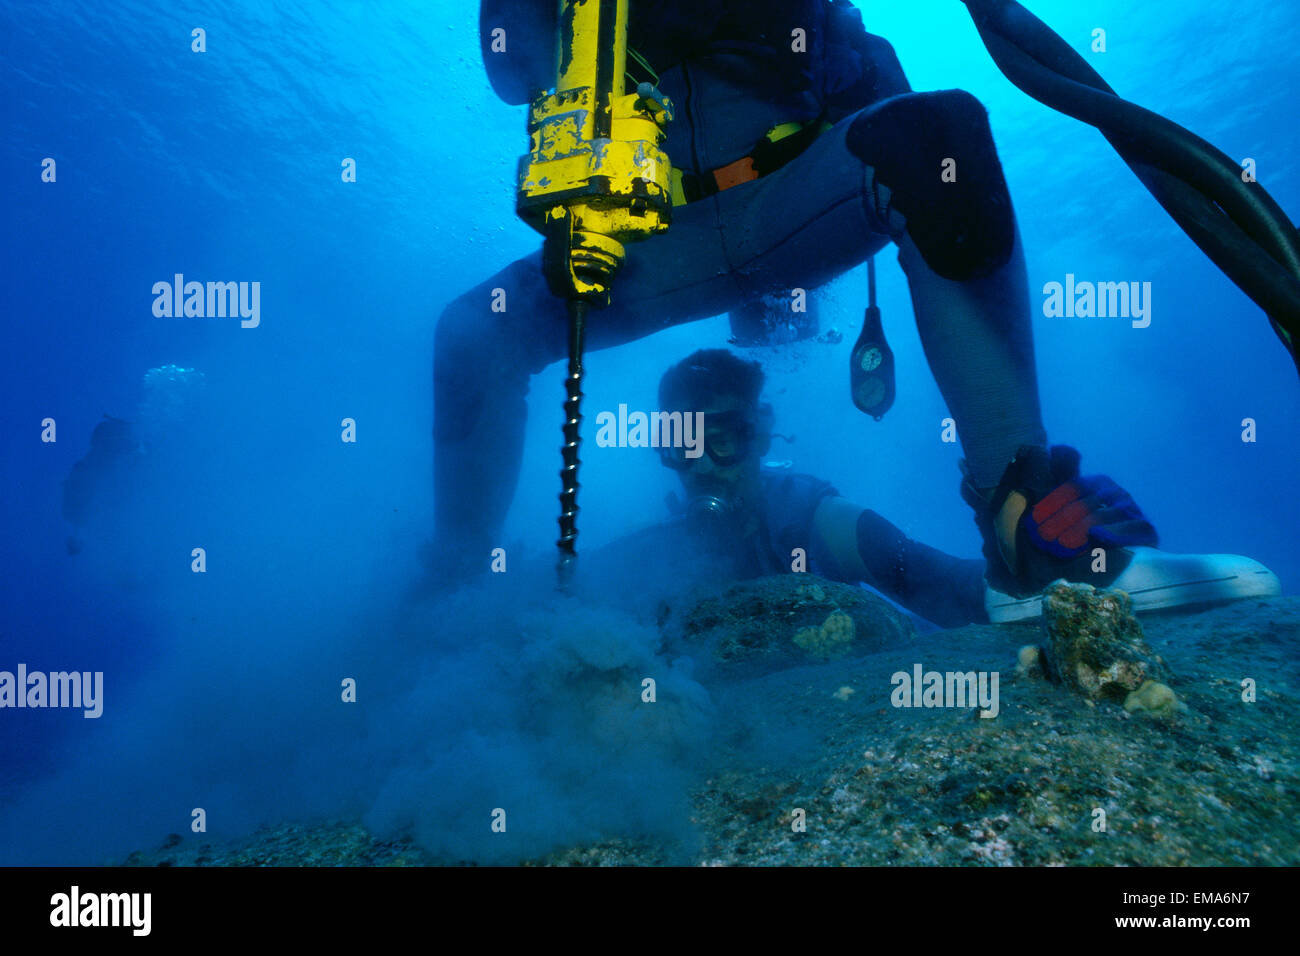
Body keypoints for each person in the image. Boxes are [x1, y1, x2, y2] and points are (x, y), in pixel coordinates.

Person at [433, 0, 1279, 619]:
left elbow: (892, 105)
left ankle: (1024, 527)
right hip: (648, 233)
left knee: (936, 136)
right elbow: (510, 71)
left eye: (729, 435)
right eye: (691, 441)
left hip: (797, 200)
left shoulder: (804, 514)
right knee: (473, 335)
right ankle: (455, 600)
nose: (705, 459)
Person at [641, 349, 988, 628]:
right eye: (683, 447)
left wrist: (1013, 561)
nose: (701, 466)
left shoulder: (818, 521)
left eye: (721, 441)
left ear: (759, 439)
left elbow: (952, 587)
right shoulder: (661, 551)